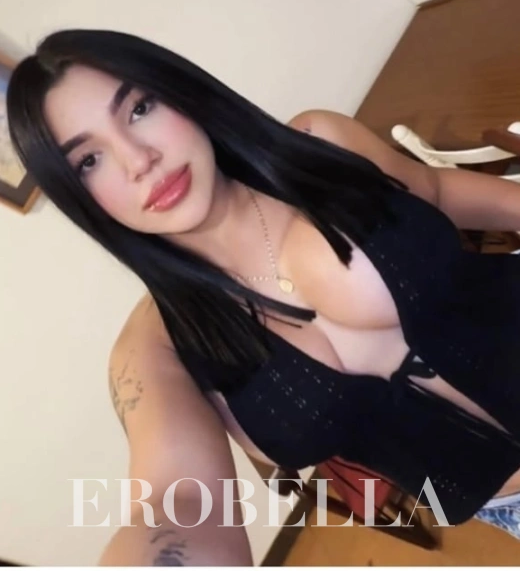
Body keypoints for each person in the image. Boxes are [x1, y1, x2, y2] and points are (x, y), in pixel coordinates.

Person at [6, 28, 520, 565]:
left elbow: (437, 190)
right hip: (506, 506)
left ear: (178, 91)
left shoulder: (319, 143)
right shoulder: (153, 352)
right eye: (88, 161)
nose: (139, 160)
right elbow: (175, 500)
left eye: (139, 108)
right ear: (77, 196)